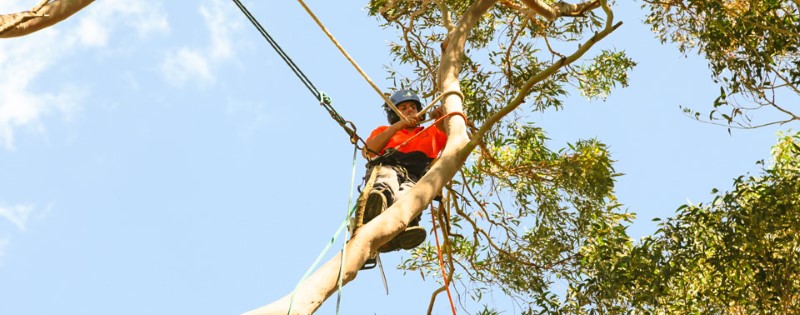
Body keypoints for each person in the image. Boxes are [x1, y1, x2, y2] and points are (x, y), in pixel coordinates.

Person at [362, 89, 447, 253]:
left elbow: (450, 137)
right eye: (404, 107)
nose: (410, 110)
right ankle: (377, 203)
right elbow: (368, 152)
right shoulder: (385, 130)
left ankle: (402, 227)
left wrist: (442, 118)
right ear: (394, 113)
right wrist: (400, 125)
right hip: (389, 166)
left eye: (413, 107)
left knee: (409, 195)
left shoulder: (430, 133)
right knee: (388, 178)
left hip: (415, 178)